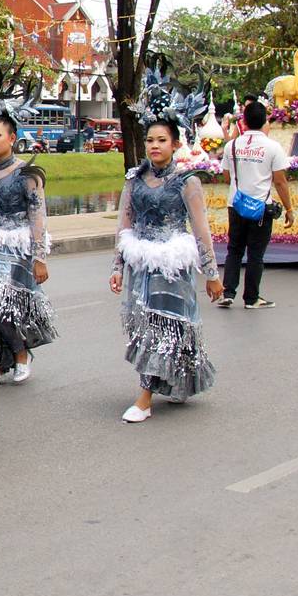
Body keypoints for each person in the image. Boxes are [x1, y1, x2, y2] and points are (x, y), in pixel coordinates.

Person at [110, 113, 223, 424]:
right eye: (150, 140)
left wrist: (212, 275)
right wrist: (117, 266)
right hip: (141, 265)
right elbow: (124, 223)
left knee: (167, 326)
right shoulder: (134, 179)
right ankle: (171, 381)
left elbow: (201, 230)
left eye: (162, 141)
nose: (155, 146)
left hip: (172, 267)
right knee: (145, 327)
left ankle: (145, 397)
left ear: (175, 144)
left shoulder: (187, 182)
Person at [0, 106, 57, 384]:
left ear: (12, 138)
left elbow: (38, 215)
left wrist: (39, 257)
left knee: (0, 301)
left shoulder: (27, 172)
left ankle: (20, 352)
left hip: (16, 246)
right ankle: (3, 358)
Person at [217, 98, 295, 311]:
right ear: (265, 122)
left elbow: (226, 176)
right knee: (255, 254)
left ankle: (228, 292)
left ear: (243, 122)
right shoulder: (273, 147)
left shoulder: (231, 146)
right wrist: (289, 209)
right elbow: (280, 180)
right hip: (260, 207)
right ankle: (251, 298)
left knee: (234, 250)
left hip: (236, 204)